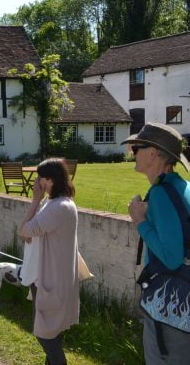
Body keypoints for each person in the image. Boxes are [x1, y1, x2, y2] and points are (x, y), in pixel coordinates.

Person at [124, 123, 190, 364]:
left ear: (152, 153)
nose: (132, 152)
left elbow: (171, 258)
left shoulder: (162, 194)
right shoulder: (182, 187)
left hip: (171, 311)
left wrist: (140, 220)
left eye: (136, 148)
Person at [17, 158, 79, 365]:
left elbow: (24, 230)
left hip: (51, 279)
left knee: (45, 333)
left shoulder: (59, 206)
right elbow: (27, 231)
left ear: (50, 180)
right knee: (52, 331)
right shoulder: (51, 203)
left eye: (40, 178)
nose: (37, 183)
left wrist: (34, 199)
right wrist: (37, 205)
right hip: (43, 276)